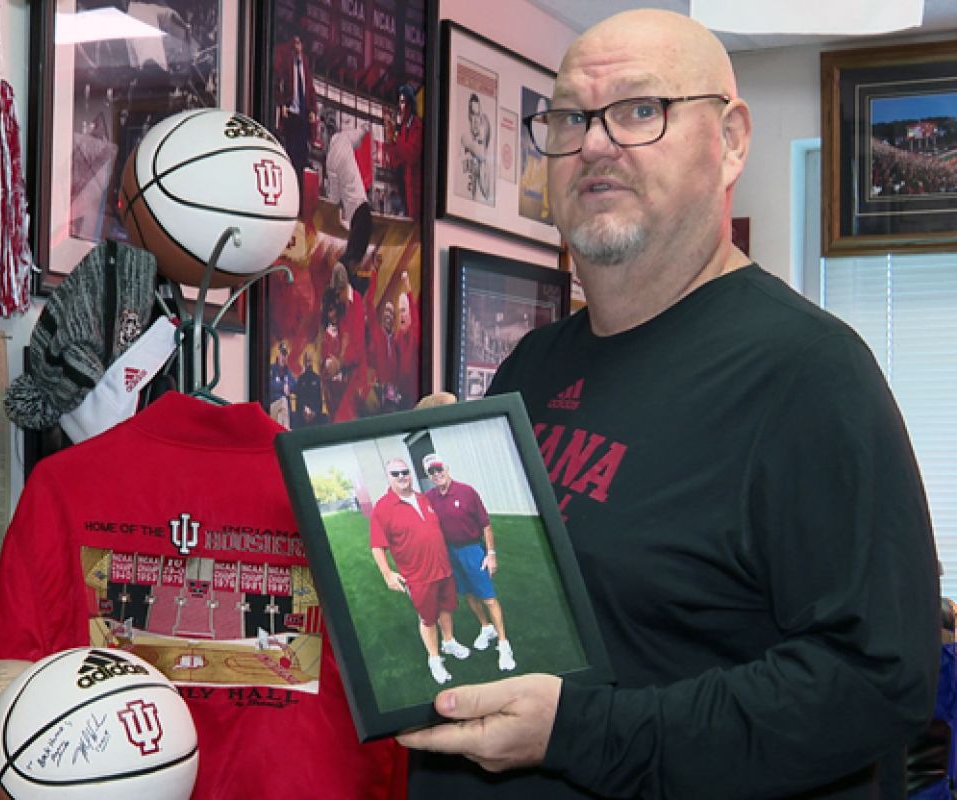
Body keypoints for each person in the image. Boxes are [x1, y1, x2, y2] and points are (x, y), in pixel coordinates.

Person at [398, 9, 938, 799]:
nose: (594, 143)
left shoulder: (811, 375)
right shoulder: (533, 364)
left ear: (731, 143)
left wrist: (580, 731)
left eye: (640, 110)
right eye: (570, 117)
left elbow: (874, 681)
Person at [370, 457, 471, 685]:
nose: (401, 477)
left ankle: (449, 641)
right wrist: (388, 574)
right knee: (428, 618)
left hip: (443, 569)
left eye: (404, 472)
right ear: (388, 477)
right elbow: (377, 546)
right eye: (395, 474)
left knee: (446, 608)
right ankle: (434, 659)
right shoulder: (383, 507)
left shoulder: (424, 499)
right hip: (417, 576)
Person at [421, 453, 514, 672]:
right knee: (469, 594)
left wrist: (490, 553)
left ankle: (503, 645)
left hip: (472, 549)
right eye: (431, 472)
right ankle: (486, 627)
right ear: (429, 476)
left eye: (439, 469)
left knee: (489, 598)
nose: (436, 474)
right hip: (449, 553)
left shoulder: (467, 491)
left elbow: (486, 525)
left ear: (447, 467)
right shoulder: (429, 498)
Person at [273, 34, 317, 209]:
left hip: (303, 116)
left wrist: (312, 110)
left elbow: (310, 88)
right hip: (291, 114)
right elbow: (279, 84)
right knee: (292, 155)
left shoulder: (304, 63)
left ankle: (300, 198)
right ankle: (291, 197)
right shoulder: (287, 62)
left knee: (302, 157)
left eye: (300, 43)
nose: (298, 47)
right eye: (295, 43)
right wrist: (282, 103)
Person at [325, 121, 373, 280]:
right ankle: (341, 276)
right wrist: (364, 129)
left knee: (354, 254)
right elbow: (357, 136)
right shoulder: (344, 138)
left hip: (356, 212)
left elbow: (334, 197)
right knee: (354, 255)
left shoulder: (330, 161)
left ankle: (340, 276)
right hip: (361, 209)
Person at [384, 83, 424, 220]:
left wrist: (395, 137)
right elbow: (395, 161)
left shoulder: (417, 126)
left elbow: (410, 154)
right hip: (408, 189)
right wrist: (390, 140)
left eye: (402, 102)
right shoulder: (403, 129)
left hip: (417, 191)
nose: (400, 107)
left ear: (409, 103)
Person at [459, 93, 492, 203]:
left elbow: (486, 191)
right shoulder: (465, 137)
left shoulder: (479, 142)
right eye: (473, 114)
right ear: (469, 116)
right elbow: (481, 154)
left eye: (478, 115)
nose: (476, 120)